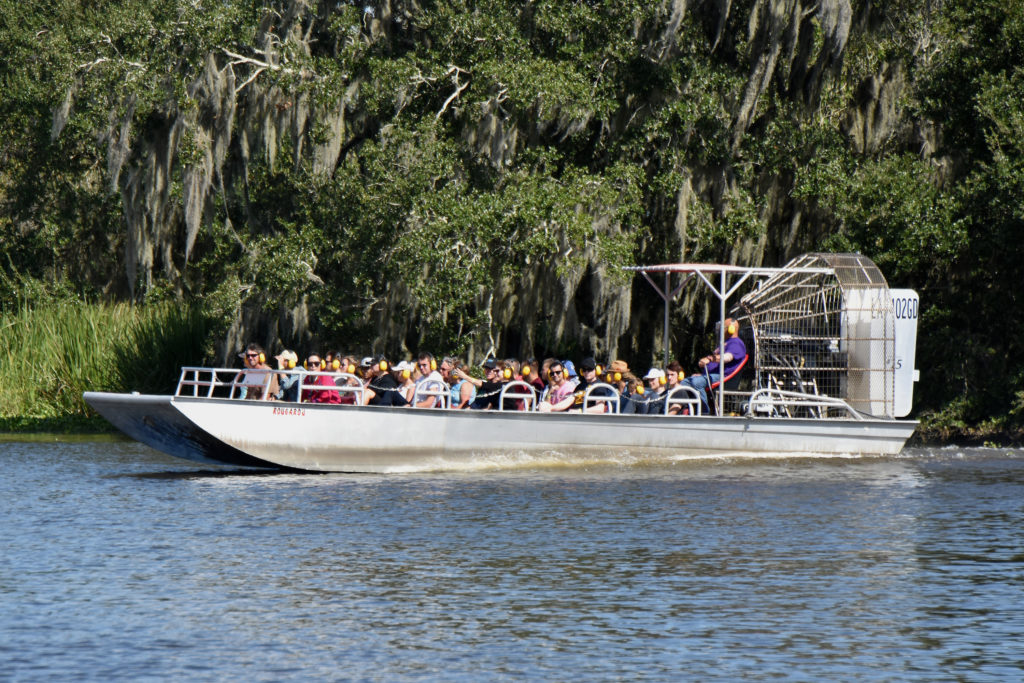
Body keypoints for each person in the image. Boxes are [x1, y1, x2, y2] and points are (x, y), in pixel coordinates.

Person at [681, 317, 748, 414]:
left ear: (731, 329)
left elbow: (727, 358)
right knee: (685, 382)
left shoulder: (737, 343)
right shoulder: (724, 343)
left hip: (722, 377)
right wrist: (702, 374)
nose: (721, 330)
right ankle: (686, 409)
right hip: (711, 375)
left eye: (724, 327)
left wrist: (709, 359)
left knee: (696, 383)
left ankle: (703, 412)